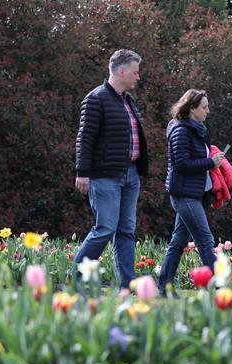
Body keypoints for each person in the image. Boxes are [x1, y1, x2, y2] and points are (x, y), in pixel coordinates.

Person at [73, 49, 149, 290]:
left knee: (126, 231)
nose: (138, 77)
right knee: (105, 228)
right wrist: (82, 172)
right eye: (135, 72)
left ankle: (127, 285)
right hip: (104, 176)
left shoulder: (128, 100)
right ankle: (76, 280)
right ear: (122, 71)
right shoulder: (96, 98)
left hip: (131, 175)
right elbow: (85, 138)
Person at [157, 89, 225, 295]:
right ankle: (220, 290)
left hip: (194, 194)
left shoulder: (197, 130)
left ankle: (164, 288)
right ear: (192, 108)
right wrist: (210, 162)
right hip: (184, 195)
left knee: (178, 242)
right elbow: (181, 164)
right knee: (205, 240)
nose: (208, 111)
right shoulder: (181, 130)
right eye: (204, 107)